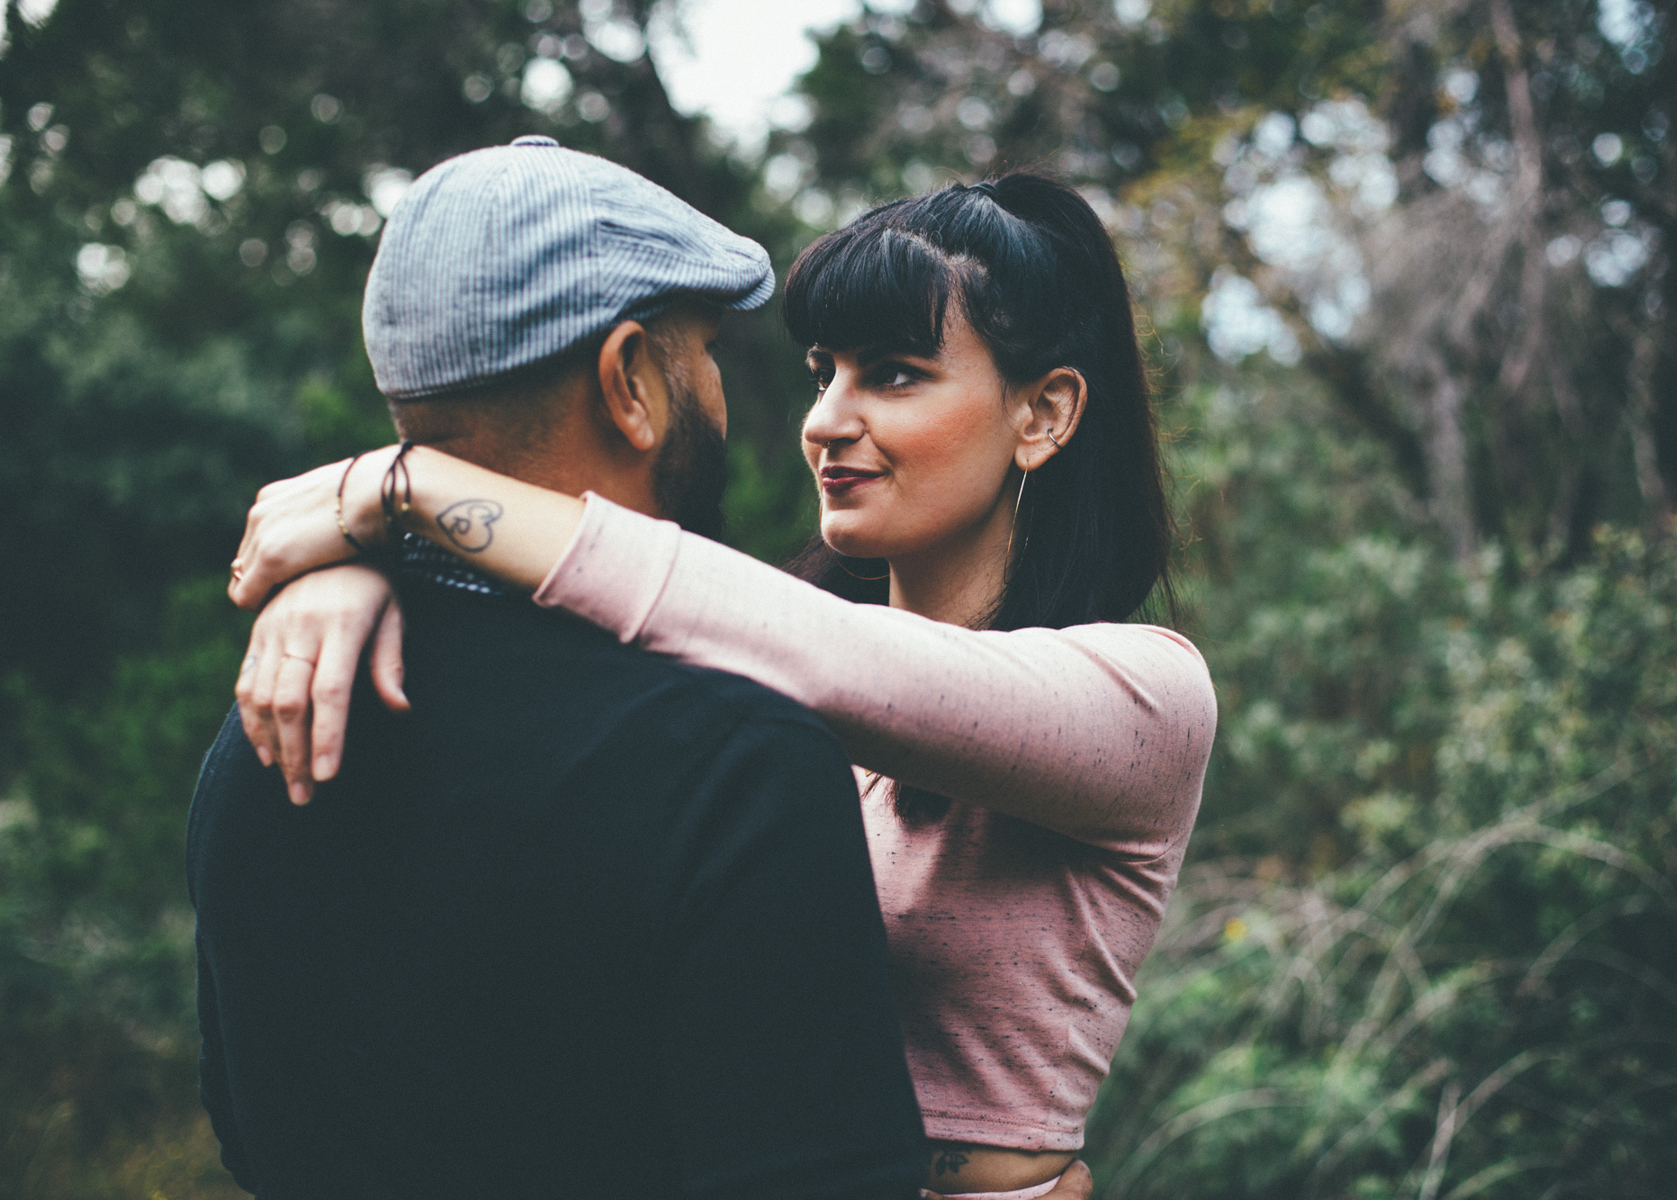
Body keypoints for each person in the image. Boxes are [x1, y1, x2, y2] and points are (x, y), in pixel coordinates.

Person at [229, 172, 1213, 1200]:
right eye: (823, 371)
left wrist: (406, 488)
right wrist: (357, 574)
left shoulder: (1145, 697)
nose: (825, 420)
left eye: (895, 375)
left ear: (1044, 412)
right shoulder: (749, 650)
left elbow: (833, 662)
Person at [187, 137, 934, 1200]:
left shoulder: (266, 729)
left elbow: (246, 1130)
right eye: (704, 351)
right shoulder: (738, 765)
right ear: (630, 381)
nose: (716, 393)